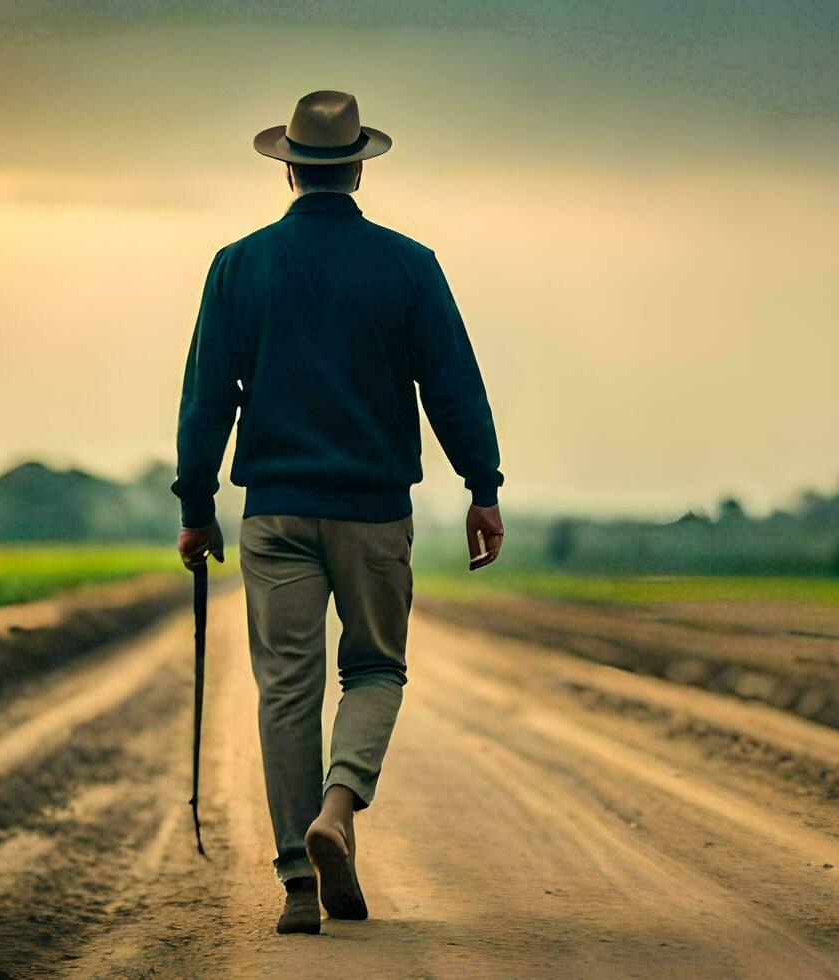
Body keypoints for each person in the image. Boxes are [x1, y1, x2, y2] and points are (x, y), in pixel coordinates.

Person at [171, 90, 505, 935]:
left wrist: (196, 505)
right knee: (376, 671)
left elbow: (207, 395)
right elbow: (453, 385)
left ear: (287, 168)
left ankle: (295, 881)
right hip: (373, 512)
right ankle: (339, 809)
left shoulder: (237, 265)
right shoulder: (408, 264)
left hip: (275, 512)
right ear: (358, 167)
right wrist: (483, 487)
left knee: (286, 689)